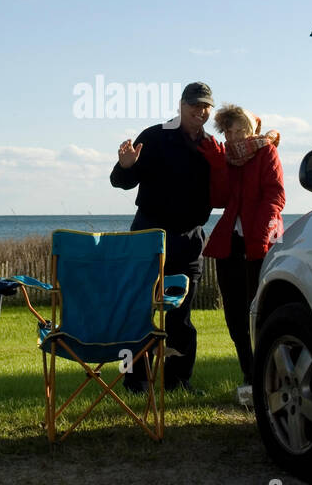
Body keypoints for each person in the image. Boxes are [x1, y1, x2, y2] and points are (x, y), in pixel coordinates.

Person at [110, 82, 220, 393]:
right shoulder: (155, 136)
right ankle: (134, 381)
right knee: (137, 313)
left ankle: (177, 381)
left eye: (205, 107)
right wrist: (125, 165)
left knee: (180, 319)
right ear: (181, 105)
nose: (200, 111)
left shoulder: (211, 146)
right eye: (194, 105)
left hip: (189, 240)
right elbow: (122, 182)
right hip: (148, 235)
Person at [201, 104, 285, 387]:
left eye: (239, 130)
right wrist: (216, 166)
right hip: (231, 246)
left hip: (261, 243)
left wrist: (260, 235)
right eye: (228, 131)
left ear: (250, 130)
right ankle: (250, 376)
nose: (234, 136)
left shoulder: (266, 152)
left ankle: (269, 375)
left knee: (262, 312)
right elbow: (219, 199)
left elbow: (275, 196)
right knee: (235, 315)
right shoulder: (226, 158)